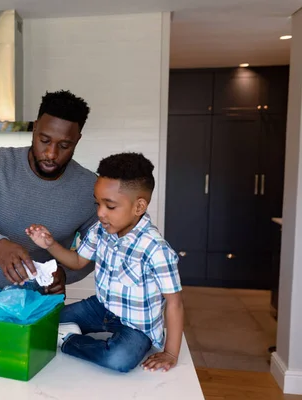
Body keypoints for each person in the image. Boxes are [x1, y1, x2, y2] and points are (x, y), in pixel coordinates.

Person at [26, 152, 184, 373]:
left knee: (119, 359)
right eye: (97, 203)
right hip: (100, 308)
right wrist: (49, 243)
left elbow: (174, 303)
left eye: (110, 206)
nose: (100, 213)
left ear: (139, 207)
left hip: (136, 326)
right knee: (42, 321)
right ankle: (65, 332)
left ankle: (68, 340)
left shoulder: (156, 249)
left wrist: (170, 353)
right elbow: (78, 261)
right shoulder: (101, 231)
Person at [0, 90, 98, 293]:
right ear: (35, 128)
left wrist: (64, 273)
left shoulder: (89, 188)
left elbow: (98, 251)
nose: (51, 154)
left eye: (64, 145)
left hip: (42, 308)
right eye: (45, 140)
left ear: (77, 140)